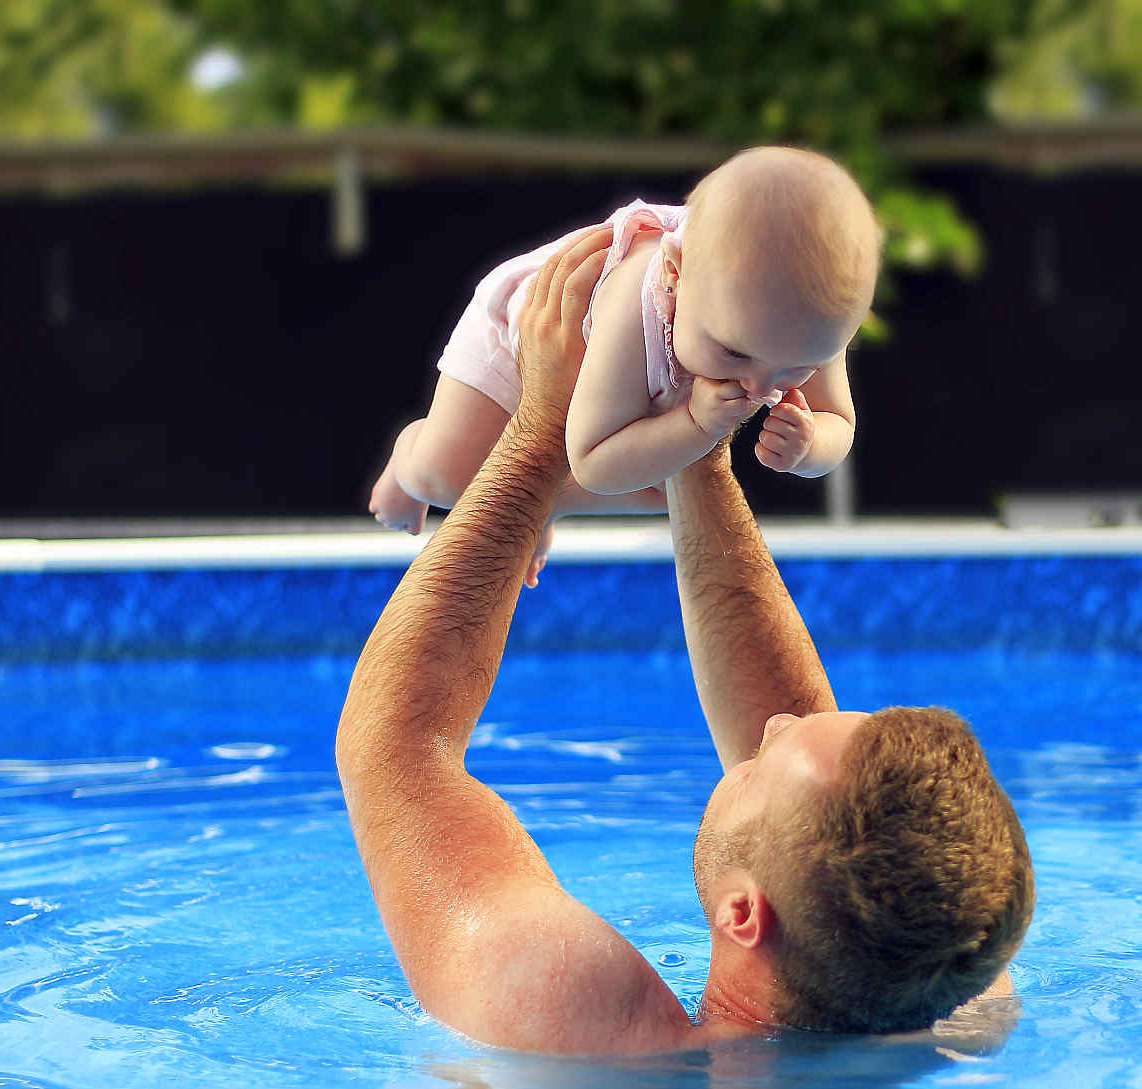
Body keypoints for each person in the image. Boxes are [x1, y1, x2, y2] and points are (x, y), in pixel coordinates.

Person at [335, 229, 1034, 1054]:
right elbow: (834, 819)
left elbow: (396, 749)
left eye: (772, 759)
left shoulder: (579, 1022)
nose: (775, 724)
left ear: (745, 914)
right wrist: (694, 443)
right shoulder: (953, 982)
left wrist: (536, 431)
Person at [368, 146, 881, 586]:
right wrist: (696, 424)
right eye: (734, 353)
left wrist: (812, 446)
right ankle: (408, 458)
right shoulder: (635, 305)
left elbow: (841, 425)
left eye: (800, 367)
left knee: (670, 489)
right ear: (677, 274)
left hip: (616, 401)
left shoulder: (805, 317)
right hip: (525, 335)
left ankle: (540, 503)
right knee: (450, 477)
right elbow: (592, 459)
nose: (760, 385)